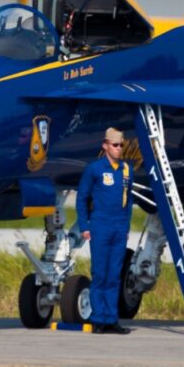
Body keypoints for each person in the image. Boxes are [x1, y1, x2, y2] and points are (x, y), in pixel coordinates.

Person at [75, 127, 134, 335]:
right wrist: (84, 226)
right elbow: (82, 198)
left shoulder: (126, 169)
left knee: (114, 275)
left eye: (121, 145)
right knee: (100, 274)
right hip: (100, 225)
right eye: (115, 145)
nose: (119, 149)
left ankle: (112, 319)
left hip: (119, 227)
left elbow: (128, 200)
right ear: (105, 146)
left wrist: (126, 226)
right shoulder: (95, 169)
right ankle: (98, 318)